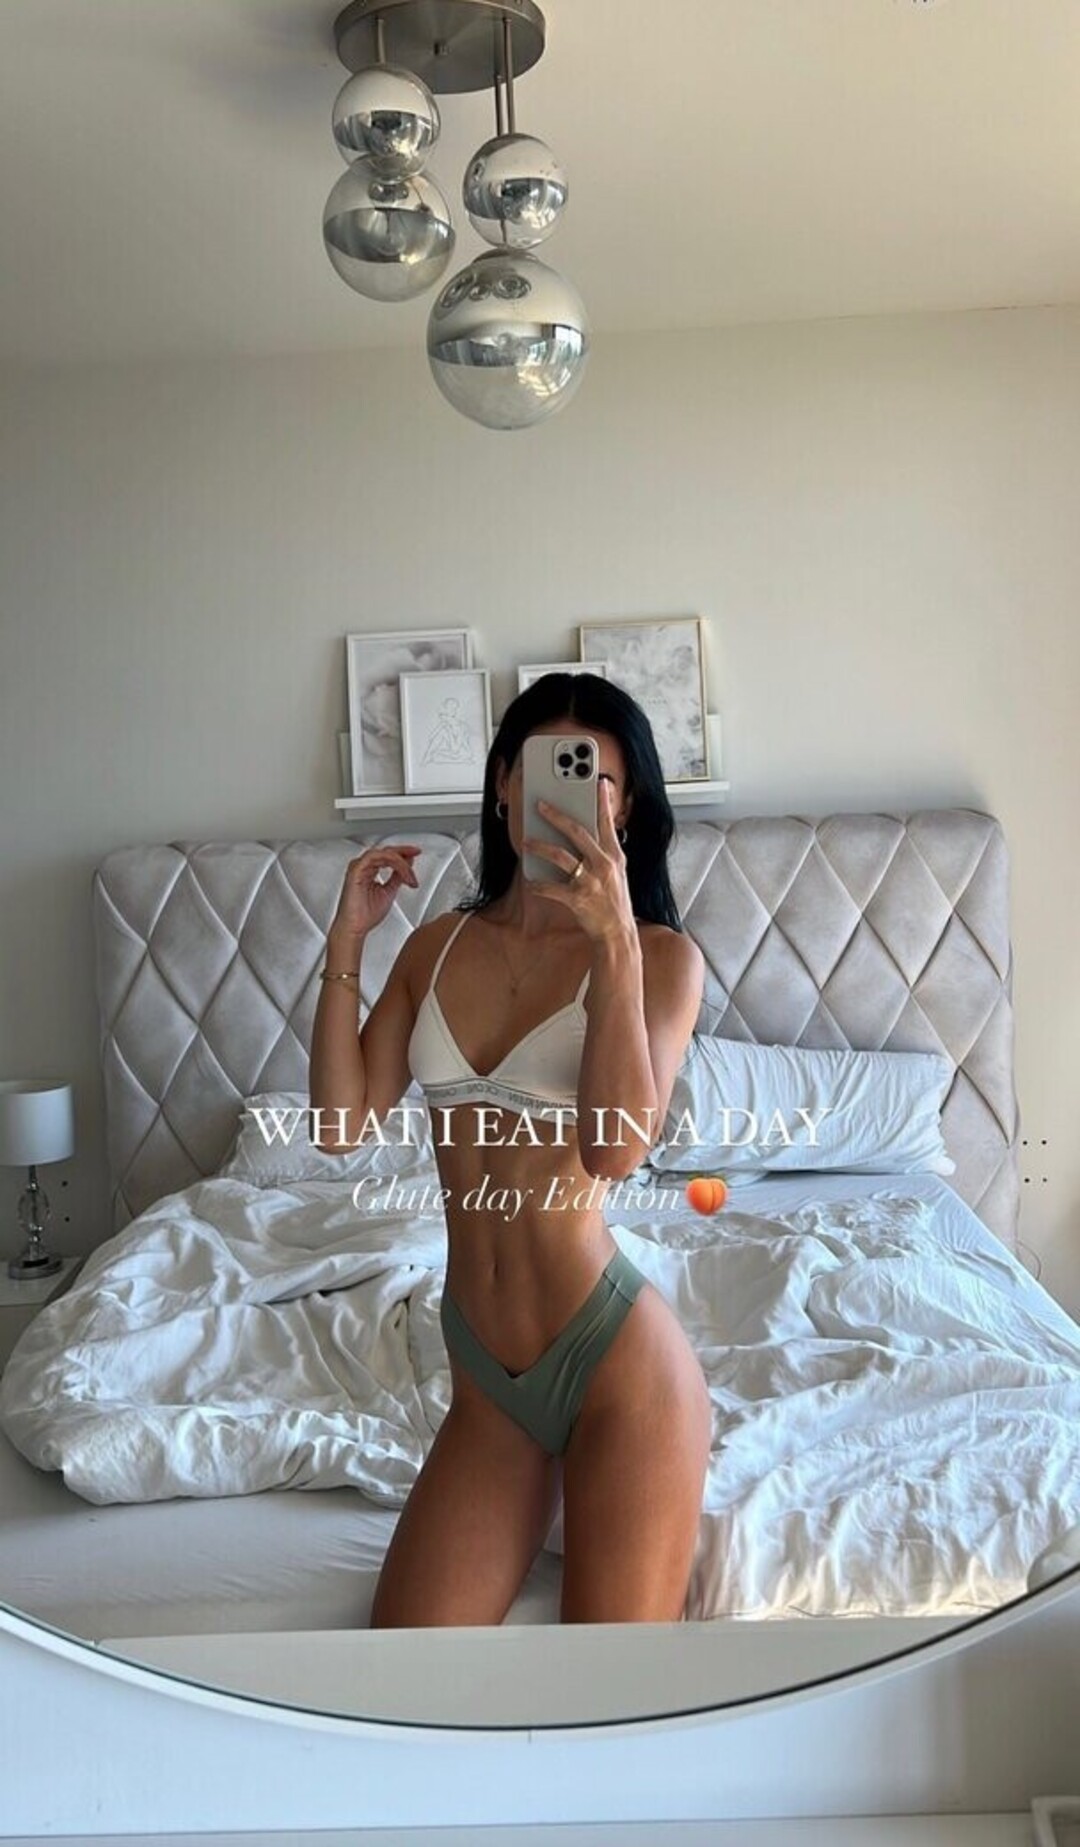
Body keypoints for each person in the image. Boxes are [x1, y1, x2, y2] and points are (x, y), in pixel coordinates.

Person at [309, 671, 711, 1626]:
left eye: (597, 777)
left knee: (609, 1685)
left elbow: (615, 1151)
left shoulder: (660, 958)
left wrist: (613, 941)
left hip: (618, 1369)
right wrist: (349, 941)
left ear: (627, 807)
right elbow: (337, 1127)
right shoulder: (436, 946)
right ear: (502, 783)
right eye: (543, 766)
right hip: (486, 1382)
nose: (567, 793)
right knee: (402, 1670)